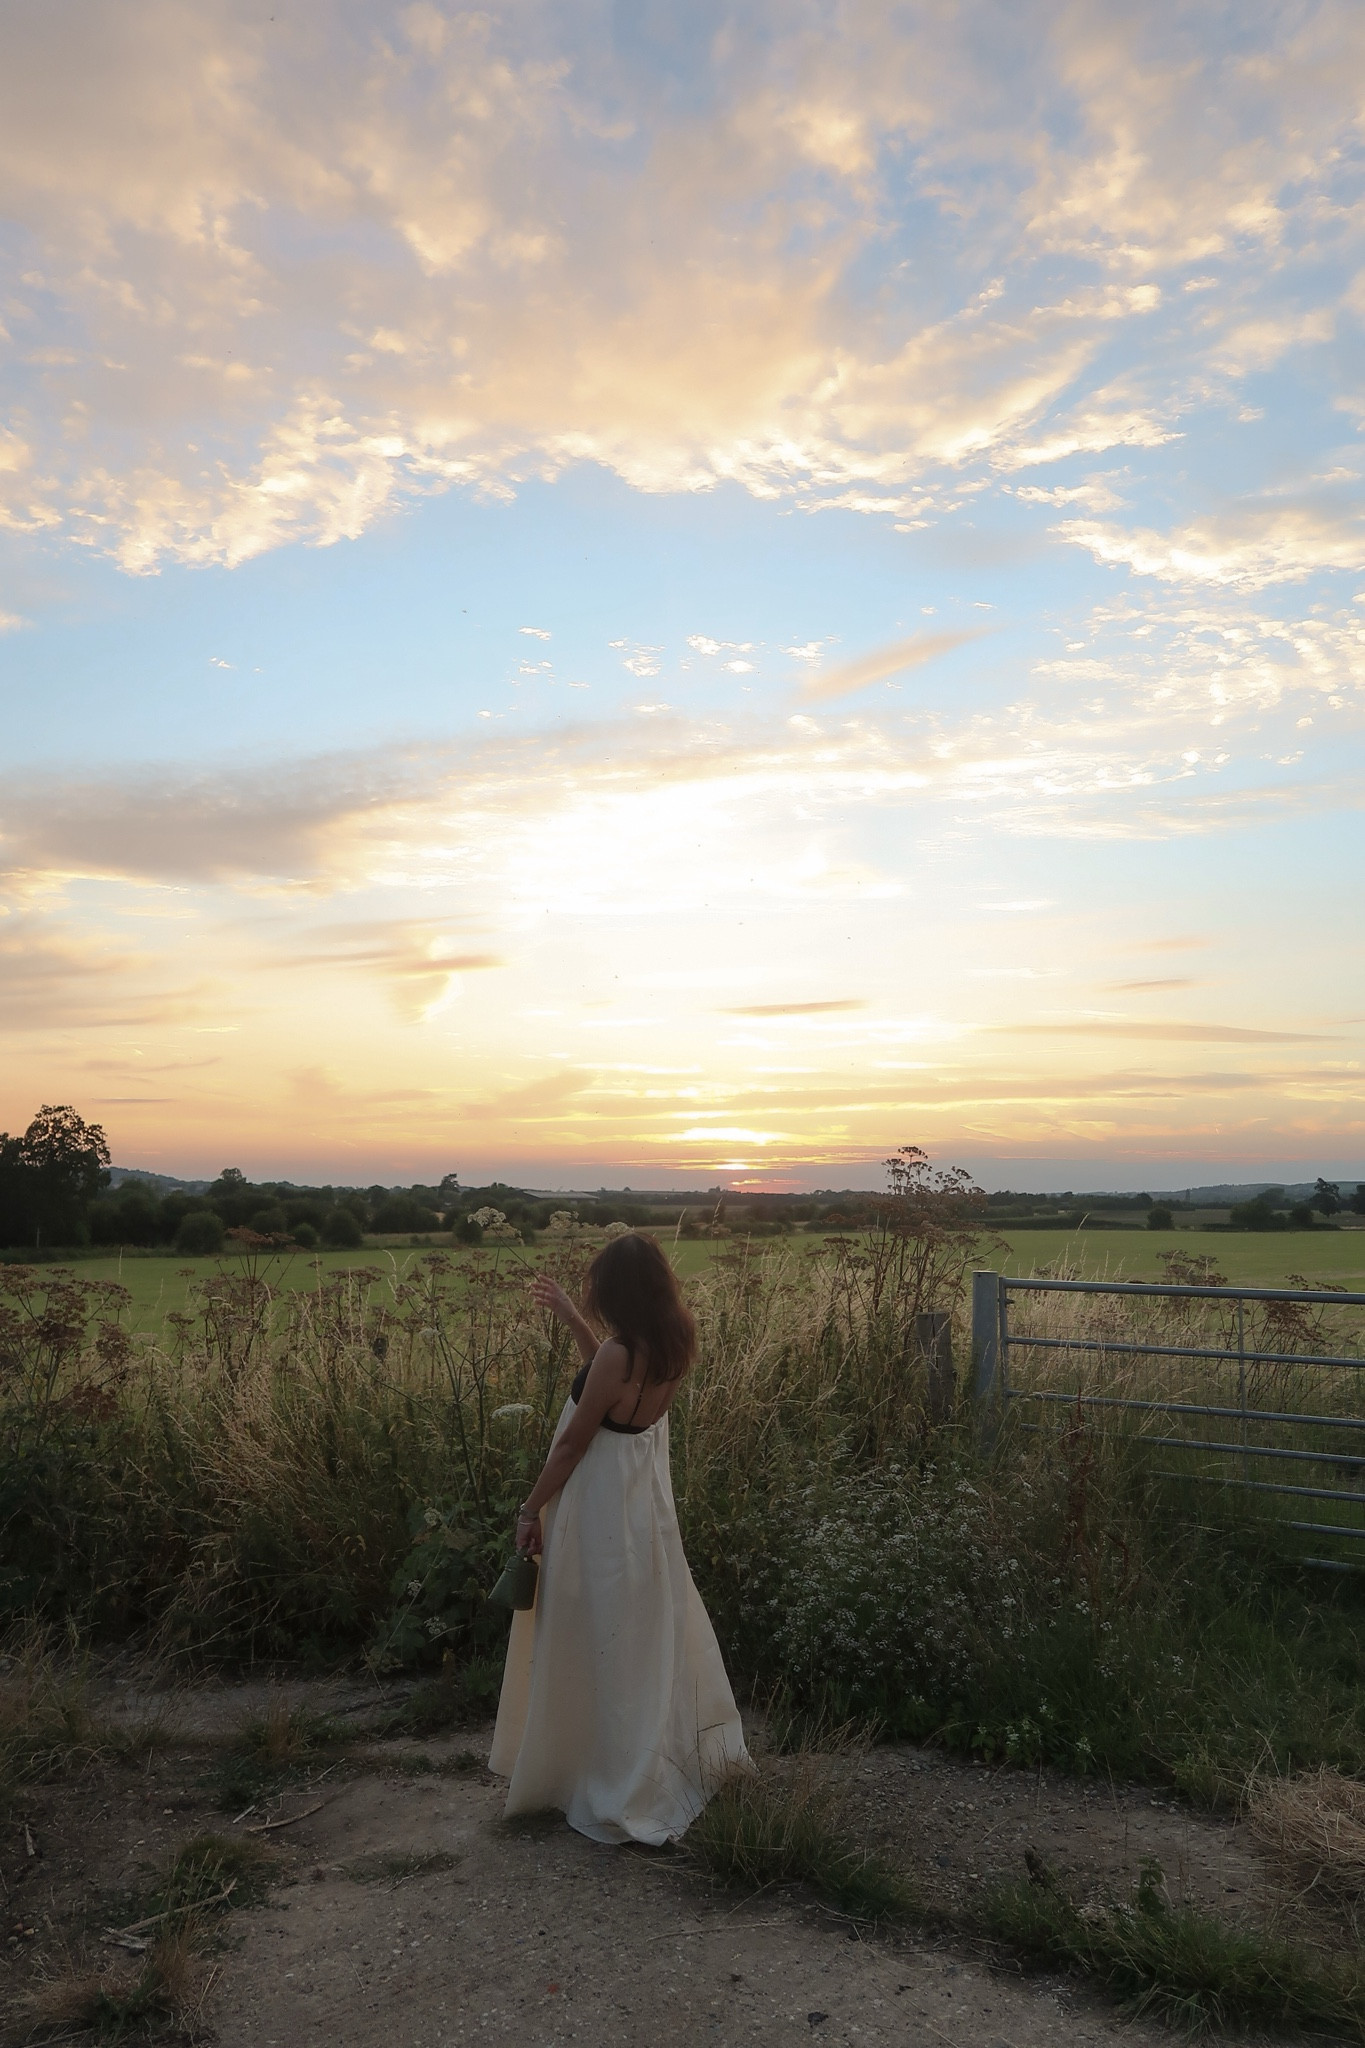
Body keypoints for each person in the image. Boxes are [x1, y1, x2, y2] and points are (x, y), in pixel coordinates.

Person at [488, 1231, 750, 1843]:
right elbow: (608, 1382)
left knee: (587, 1630)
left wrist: (530, 1509)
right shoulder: (670, 1346)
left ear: (618, 1292)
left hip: (594, 1510)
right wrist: (571, 1318)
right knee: (636, 1632)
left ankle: (598, 1767)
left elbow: (575, 1442)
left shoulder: (618, 1355)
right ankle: (637, 1756)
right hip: (640, 1513)